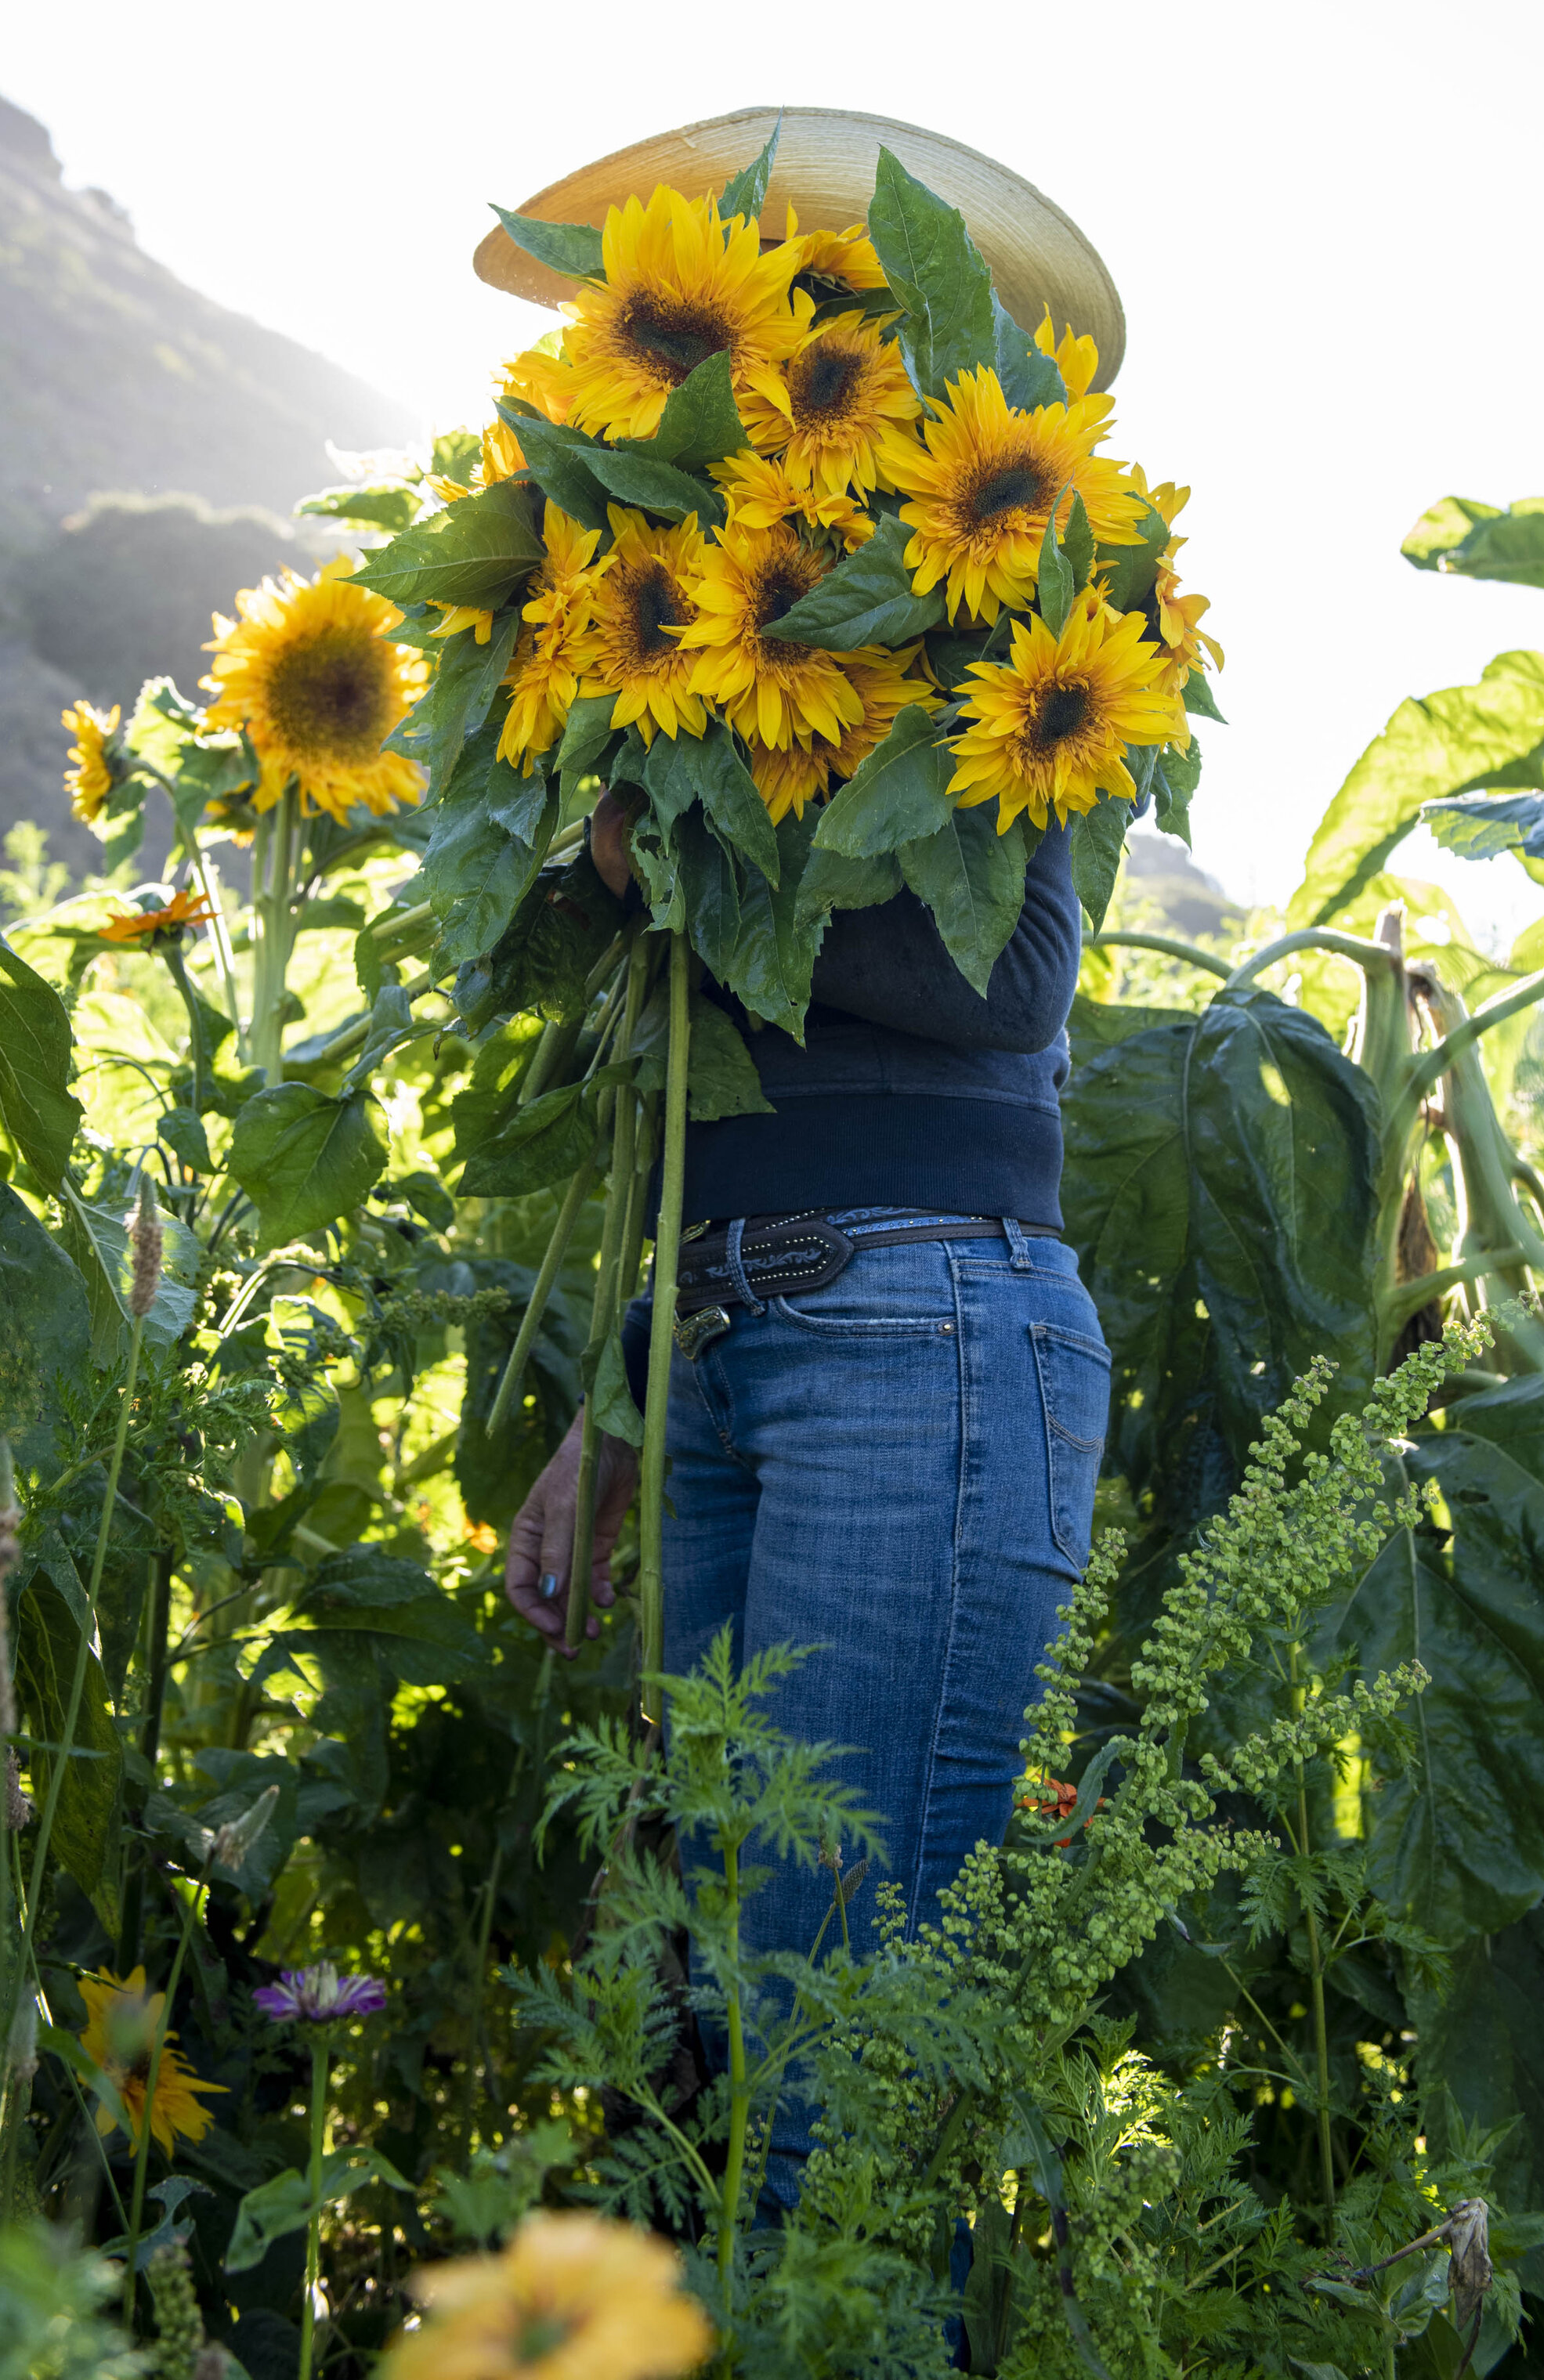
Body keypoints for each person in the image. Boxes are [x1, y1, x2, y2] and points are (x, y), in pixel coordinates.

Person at [506, 785, 1112, 2210]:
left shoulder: (999, 580)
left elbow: (1015, 973)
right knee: (721, 2038)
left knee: (834, 2079)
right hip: (723, 1330)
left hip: (916, 1317)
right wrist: (627, 1393)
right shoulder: (665, 618)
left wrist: (659, 853)